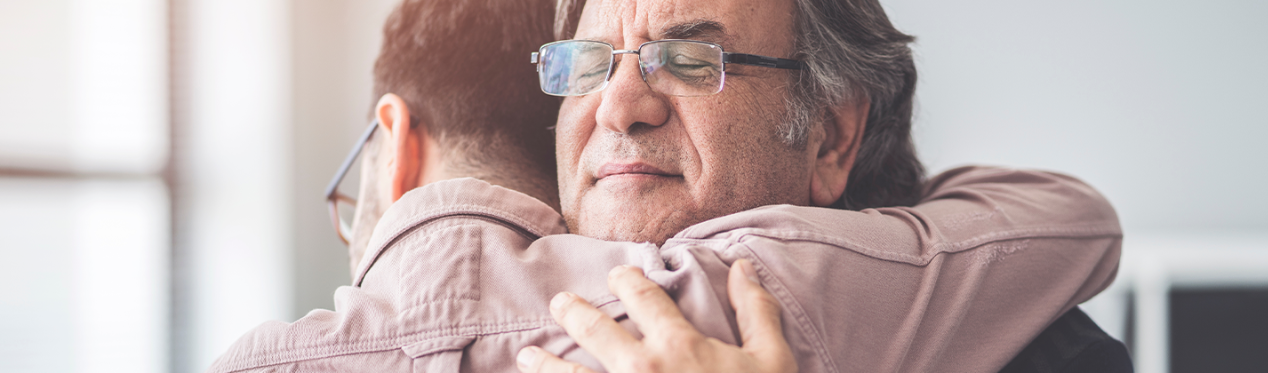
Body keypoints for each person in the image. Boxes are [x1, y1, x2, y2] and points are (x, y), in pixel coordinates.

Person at [206, 0, 1127, 372]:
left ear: (834, 134)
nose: (620, 105)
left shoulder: (1034, 349)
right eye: (588, 62)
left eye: (692, 59)